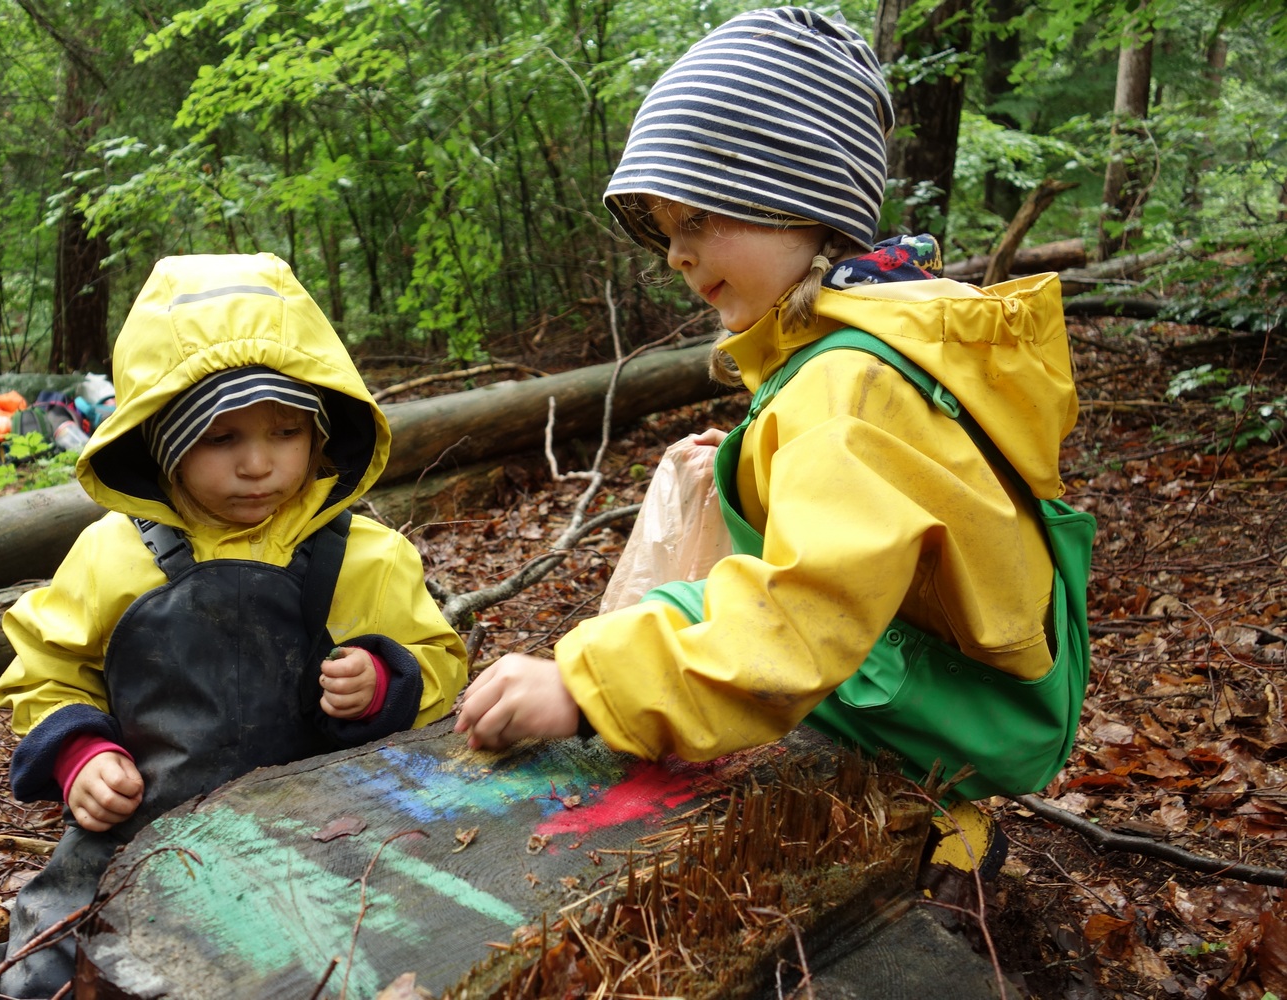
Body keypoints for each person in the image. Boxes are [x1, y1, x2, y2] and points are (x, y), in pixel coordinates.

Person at [455, 7, 1093, 860]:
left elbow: (799, 620)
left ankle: (930, 813)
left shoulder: (847, 383)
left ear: (797, 198)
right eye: (666, 232)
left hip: (971, 715)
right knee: (700, 609)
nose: (676, 255)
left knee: (689, 612)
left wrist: (585, 684)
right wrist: (756, 460)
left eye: (697, 219)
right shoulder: (877, 341)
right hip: (980, 692)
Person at [0, 252, 468, 996]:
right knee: (53, 952)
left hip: (329, 827)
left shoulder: (365, 557)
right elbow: (44, 670)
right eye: (220, 438)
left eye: (286, 432)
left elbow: (439, 662)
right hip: (144, 827)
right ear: (160, 440)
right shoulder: (113, 554)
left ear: (322, 432)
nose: (258, 464)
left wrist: (384, 681)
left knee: (376, 947)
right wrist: (80, 754)